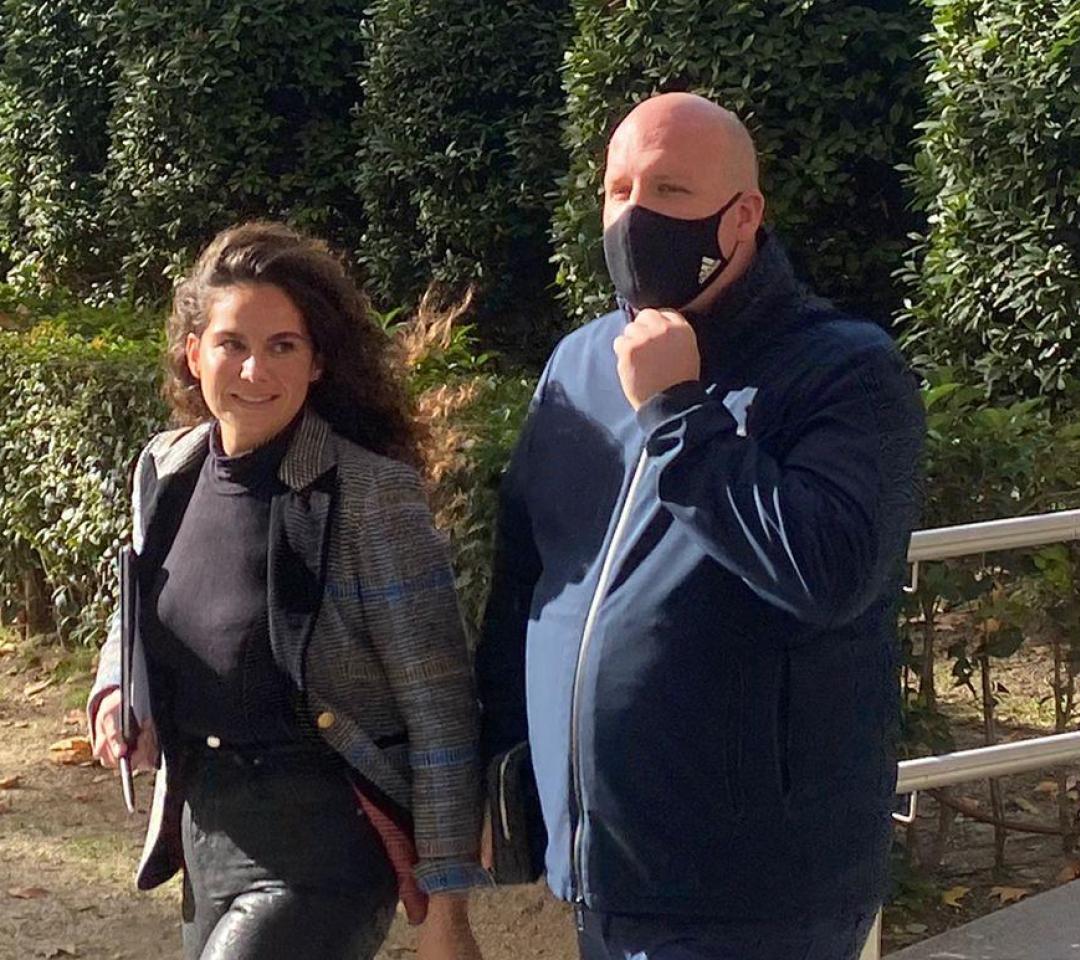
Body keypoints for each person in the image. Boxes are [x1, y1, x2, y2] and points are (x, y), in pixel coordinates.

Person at [476, 92, 924, 960]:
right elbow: (529, 576)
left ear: (744, 215)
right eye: (618, 191)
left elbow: (830, 571)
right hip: (604, 876)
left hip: (753, 894)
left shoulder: (846, 368)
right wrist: (497, 762)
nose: (635, 218)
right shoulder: (578, 362)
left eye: (670, 192)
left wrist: (678, 411)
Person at [87, 222, 486, 960]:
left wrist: (447, 904)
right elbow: (136, 611)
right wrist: (117, 692)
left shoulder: (370, 497)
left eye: (282, 346)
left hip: (327, 844)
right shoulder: (166, 469)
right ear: (194, 353)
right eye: (231, 343)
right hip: (207, 830)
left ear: (318, 362)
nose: (253, 370)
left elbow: (440, 709)